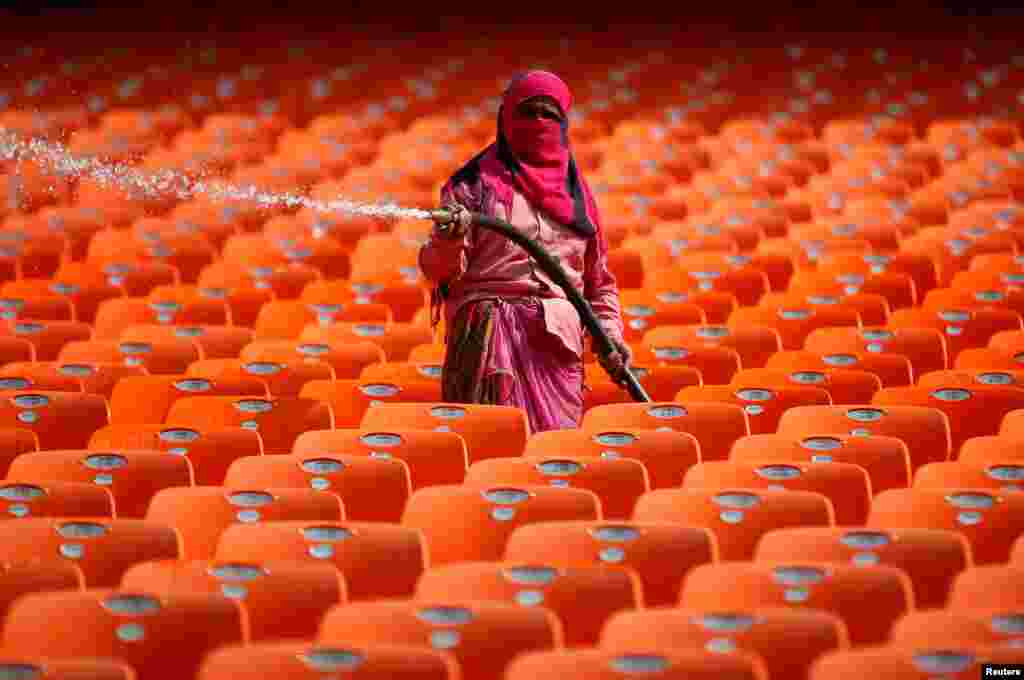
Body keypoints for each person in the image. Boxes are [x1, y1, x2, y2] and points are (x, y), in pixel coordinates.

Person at [418, 69, 631, 433]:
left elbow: (599, 285)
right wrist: (448, 239)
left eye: (549, 114)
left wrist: (609, 334)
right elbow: (437, 272)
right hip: (487, 345)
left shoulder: (579, 198)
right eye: (527, 111)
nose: (537, 121)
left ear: (563, 124)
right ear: (504, 118)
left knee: (555, 459)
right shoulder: (471, 186)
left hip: (555, 352)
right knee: (492, 458)